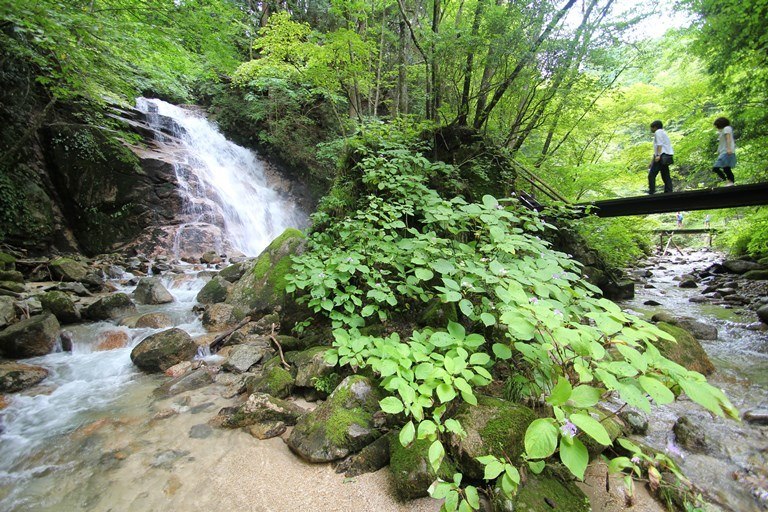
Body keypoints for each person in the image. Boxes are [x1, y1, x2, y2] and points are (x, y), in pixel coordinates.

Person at [648, 120, 674, 194]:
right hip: (666, 156)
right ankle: (669, 191)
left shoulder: (658, 132)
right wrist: (651, 161)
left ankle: (652, 191)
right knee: (666, 175)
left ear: (655, 127)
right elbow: (657, 148)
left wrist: (658, 156)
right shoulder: (663, 133)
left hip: (661, 156)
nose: (651, 130)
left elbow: (659, 145)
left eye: (651, 128)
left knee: (651, 175)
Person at [712, 117, 736, 186]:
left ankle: (729, 181)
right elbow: (722, 142)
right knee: (726, 169)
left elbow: (728, 139)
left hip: (727, 152)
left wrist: (729, 149)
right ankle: (729, 182)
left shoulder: (726, 128)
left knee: (716, 168)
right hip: (724, 152)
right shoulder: (723, 130)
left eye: (717, 126)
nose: (716, 127)